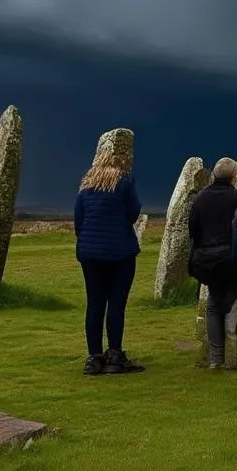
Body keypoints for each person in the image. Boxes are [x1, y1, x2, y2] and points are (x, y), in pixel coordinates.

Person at [73, 151, 146, 375]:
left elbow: (78, 220)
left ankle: (94, 358)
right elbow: (134, 211)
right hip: (120, 252)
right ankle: (115, 355)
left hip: (90, 253)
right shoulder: (124, 182)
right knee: (116, 304)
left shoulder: (86, 188)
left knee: (94, 304)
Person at [188, 157, 237, 368]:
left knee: (213, 302)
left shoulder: (200, 198)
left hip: (206, 260)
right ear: (234, 176)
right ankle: (231, 354)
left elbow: (192, 229)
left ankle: (215, 357)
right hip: (231, 259)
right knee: (231, 300)